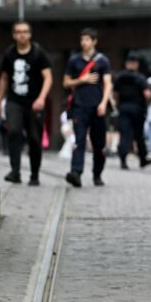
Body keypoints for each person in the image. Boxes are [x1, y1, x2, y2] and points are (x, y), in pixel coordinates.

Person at [0, 21, 51, 186]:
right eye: (18, 32)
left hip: (35, 102)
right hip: (14, 101)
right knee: (13, 132)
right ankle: (15, 171)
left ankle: (34, 174)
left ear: (30, 34)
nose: (22, 35)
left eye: (25, 32)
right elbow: (4, 78)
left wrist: (41, 98)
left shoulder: (38, 53)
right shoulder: (9, 54)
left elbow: (48, 77)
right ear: (13, 35)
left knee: (35, 138)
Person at [63, 28, 112, 187]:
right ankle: (76, 172)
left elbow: (107, 83)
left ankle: (97, 174)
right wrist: (82, 80)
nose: (84, 43)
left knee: (98, 144)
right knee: (79, 140)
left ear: (94, 41)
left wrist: (104, 103)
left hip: (97, 107)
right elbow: (66, 82)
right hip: (79, 106)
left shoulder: (102, 61)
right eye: (82, 40)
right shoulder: (74, 60)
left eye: (87, 40)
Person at [112, 55, 151, 170]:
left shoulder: (120, 77)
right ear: (136, 64)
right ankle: (143, 159)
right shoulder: (140, 77)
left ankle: (123, 159)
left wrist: (118, 104)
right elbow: (147, 94)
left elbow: (115, 94)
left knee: (125, 134)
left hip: (123, 108)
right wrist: (146, 103)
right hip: (137, 109)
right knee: (139, 135)